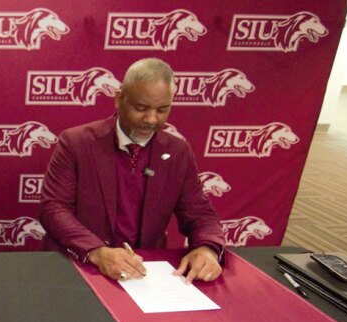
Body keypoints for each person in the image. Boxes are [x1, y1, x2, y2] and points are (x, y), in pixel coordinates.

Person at [39, 58, 225, 283]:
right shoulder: (76, 143)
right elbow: (54, 208)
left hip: (143, 275)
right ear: (119, 99)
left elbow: (200, 214)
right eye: (141, 108)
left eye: (162, 110)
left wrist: (207, 248)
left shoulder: (178, 152)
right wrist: (96, 252)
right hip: (81, 268)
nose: (151, 119)